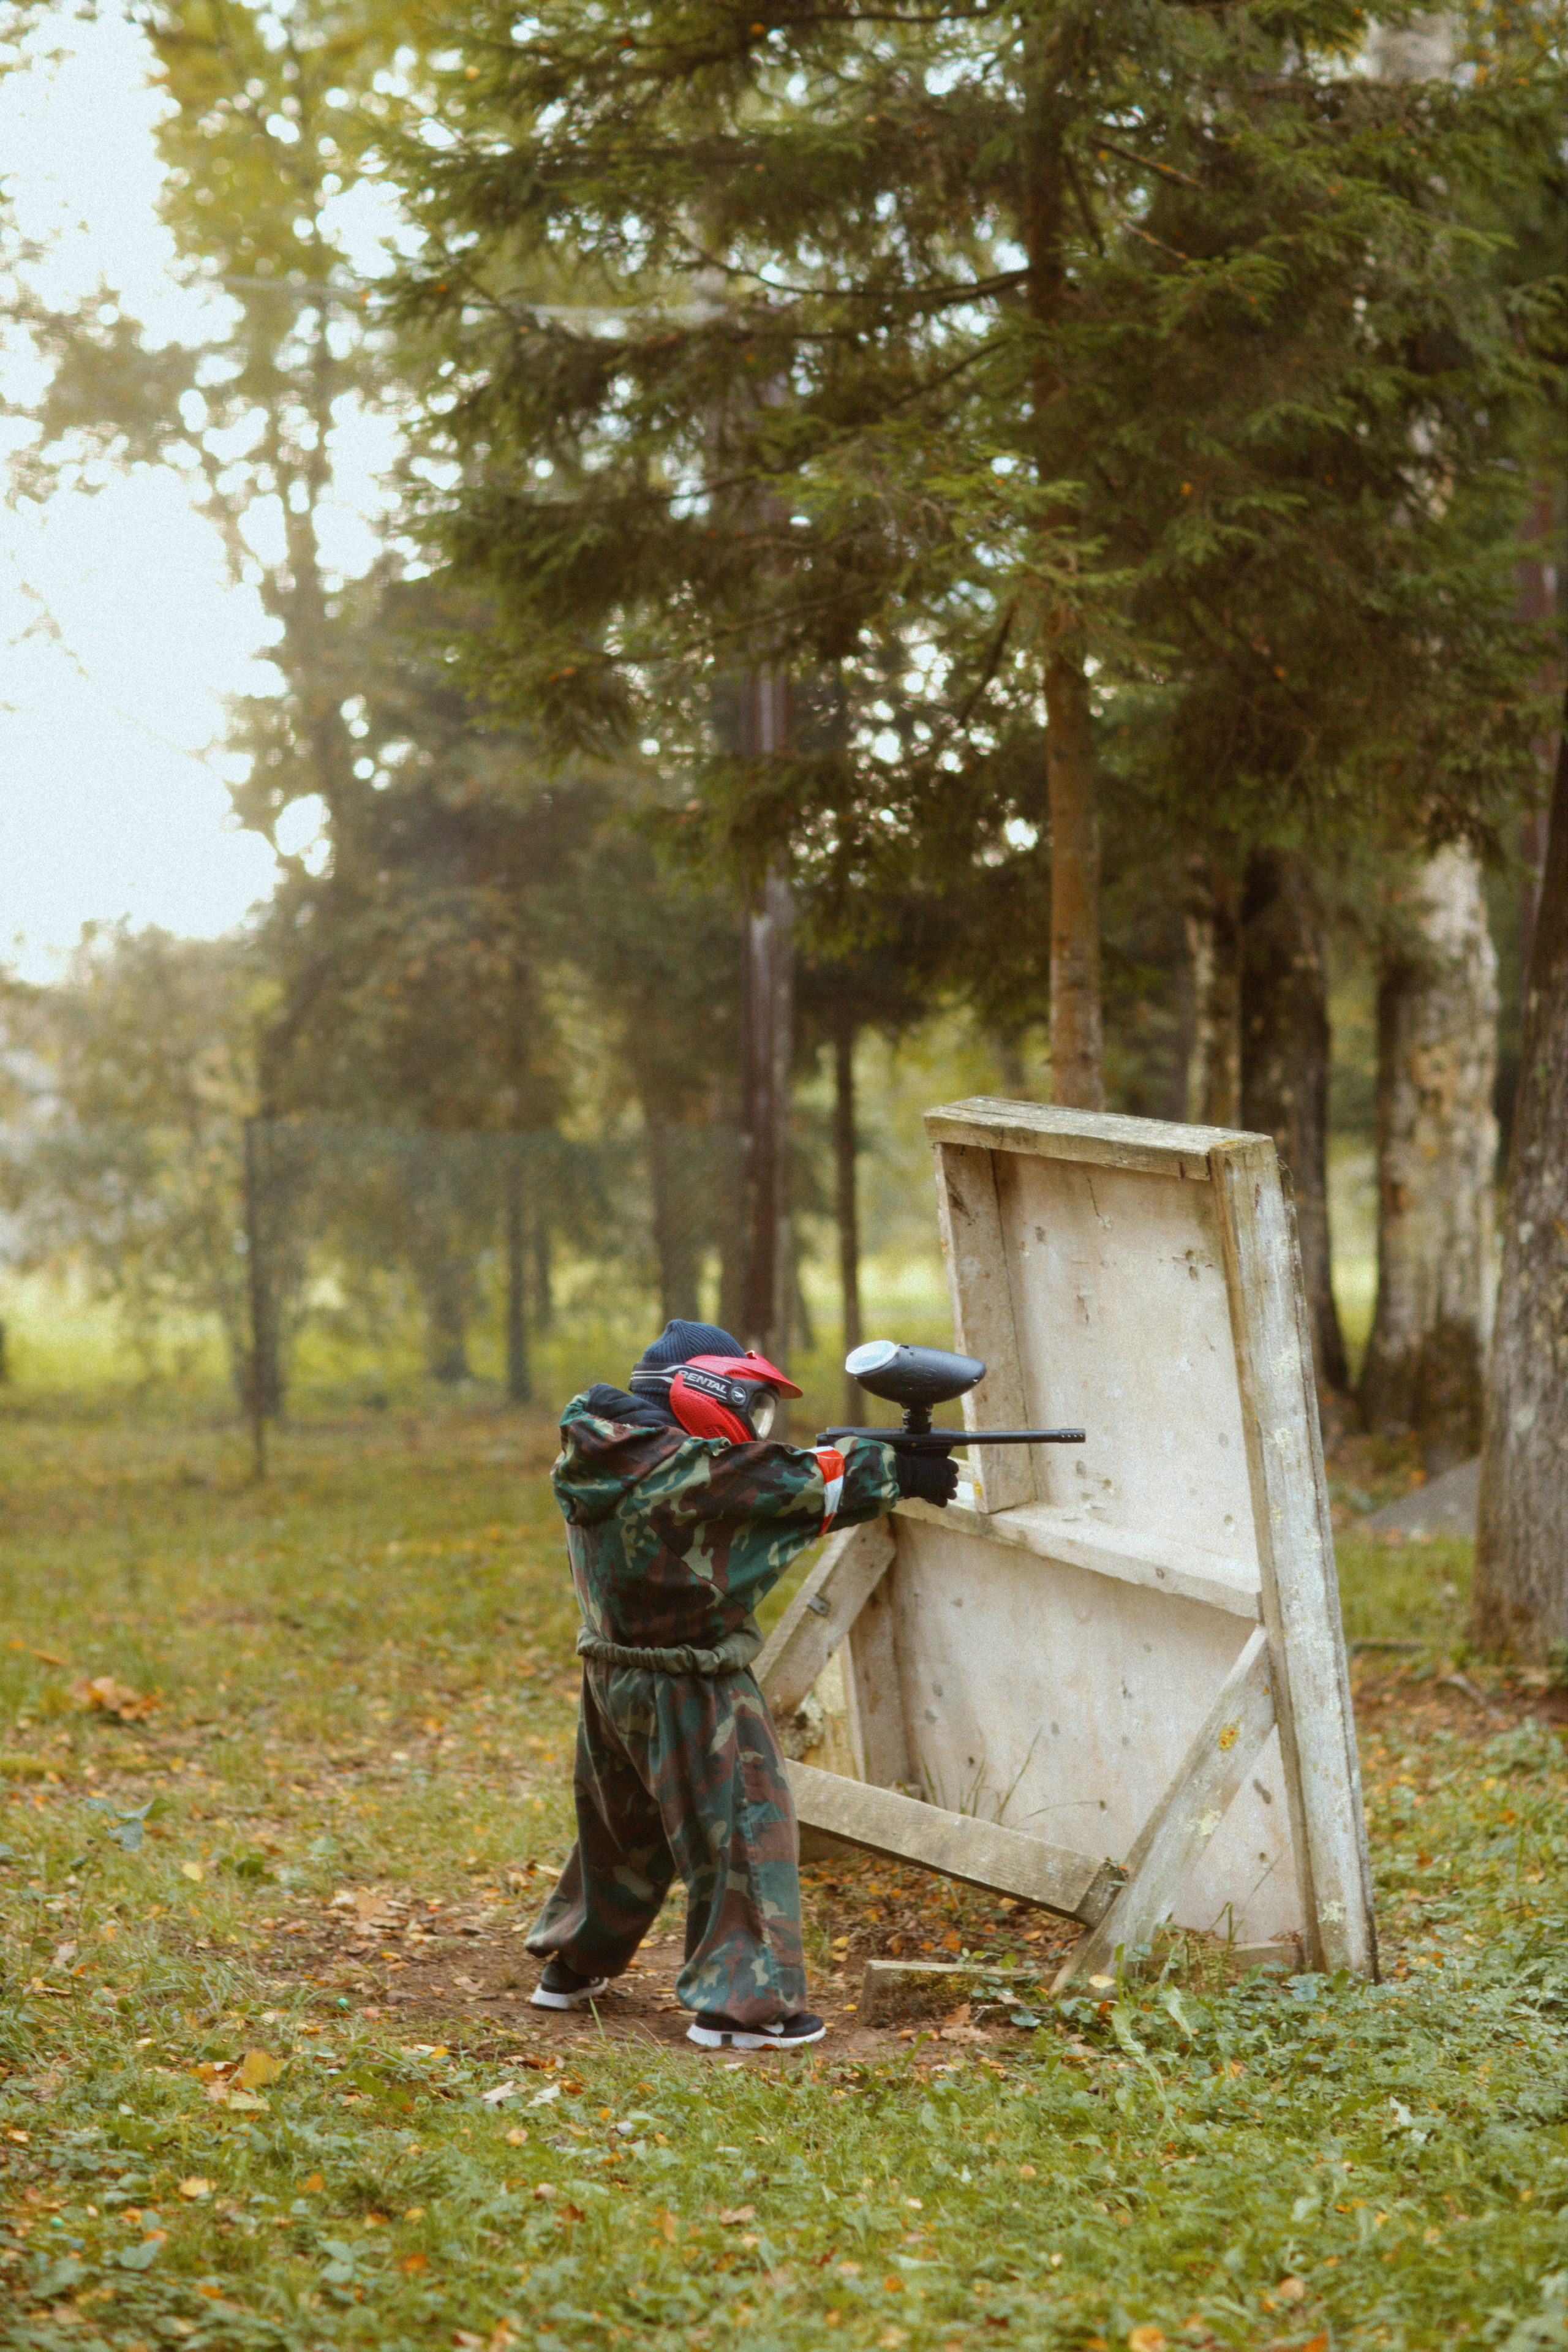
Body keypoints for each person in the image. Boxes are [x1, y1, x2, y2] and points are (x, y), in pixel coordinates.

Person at [524, 1317, 959, 2050]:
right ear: (698, 1393)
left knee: (620, 1830)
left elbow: (753, 1483)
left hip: (613, 1677)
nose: (753, 1426)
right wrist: (897, 1469)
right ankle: (746, 2010)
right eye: (748, 1406)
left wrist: (874, 1457)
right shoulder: (687, 1472)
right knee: (746, 1834)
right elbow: (788, 1484)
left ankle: (573, 1964)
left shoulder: (607, 1450)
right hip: (694, 1688)